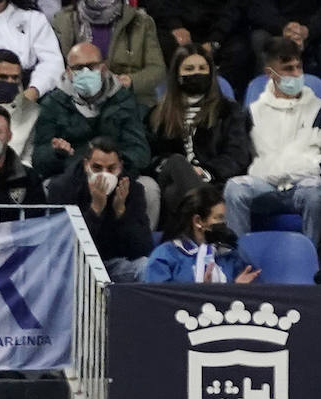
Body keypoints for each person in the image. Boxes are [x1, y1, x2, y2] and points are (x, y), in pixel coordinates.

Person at [223, 37, 321, 244]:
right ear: (270, 73)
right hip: (264, 186)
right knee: (234, 189)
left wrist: (304, 167)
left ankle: (315, 258)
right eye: (288, 69)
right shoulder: (252, 113)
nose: (296, 74)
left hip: (305, 186)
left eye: (299, 67)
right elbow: (239, 159)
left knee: (315, 190)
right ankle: (236, 256)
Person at [146, 44, 251, 228]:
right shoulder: (157, 114)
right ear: (177, 75)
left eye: (202, 68)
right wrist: (179, 169)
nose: (197, 73)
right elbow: (150, 156)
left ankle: (189, 235)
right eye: (189, 69)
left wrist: (205, 172)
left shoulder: (229, 111)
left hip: (212, 183)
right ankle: (210, 220)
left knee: (174, 194)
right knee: (177, 162)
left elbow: (237, 155)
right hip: (169, 177)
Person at [30, 42, 151, 180]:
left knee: (149, 186)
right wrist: (56, 153)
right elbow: (39, 158)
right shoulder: (52, 103)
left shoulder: (123, 100)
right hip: (70, 177)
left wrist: (109, 163)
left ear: (103, 68)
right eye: (78, 68)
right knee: (47, 186)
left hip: (116, 175)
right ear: (68, 72)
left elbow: (140, 152)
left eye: (91, 66)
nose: (85, 72)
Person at [47, 136, 153, 282]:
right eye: (97, 168)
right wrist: (95, 210)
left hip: (113, 263)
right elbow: (64, 247)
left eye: (111, 169)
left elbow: (143, 248)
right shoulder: (63, 188)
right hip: (74, 268)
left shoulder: (131, 189)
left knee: (147, 267)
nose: (104, 174)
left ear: (120, 166)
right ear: (86, 165)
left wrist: (121, 214)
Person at [52, 0, 167, 108]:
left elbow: (157, 69)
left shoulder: (141, 22)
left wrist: (131, 81)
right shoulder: (64, 20)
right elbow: (55, 67)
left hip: (132, 102)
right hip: (78, 102)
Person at [144, 183, 260, 283]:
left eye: (224, 218)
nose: (224, 223)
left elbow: (238, 298)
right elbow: (158, 297)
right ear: (198, 221)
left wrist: (237, 288)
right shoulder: (166, 256)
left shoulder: (230, 256)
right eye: (219, 218)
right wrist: (202, 292)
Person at [246, 0, 321, 102]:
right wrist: (284, 28)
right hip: (277, 30)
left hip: (318, 32)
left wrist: (307, 30)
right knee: (259, 38)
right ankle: (263, 102)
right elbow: (259, 7)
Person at [140, 0, 251, 92]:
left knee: (239, 50)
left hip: (218, 30)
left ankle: (217, 94)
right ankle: (176, 95)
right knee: (158, 43)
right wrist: (175, 26)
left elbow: (234, 9)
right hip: (176, 26)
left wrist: (215, 40)